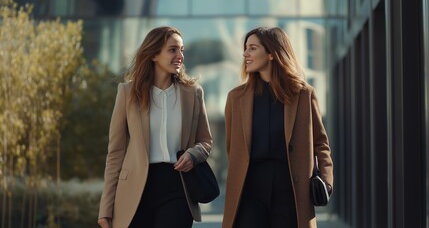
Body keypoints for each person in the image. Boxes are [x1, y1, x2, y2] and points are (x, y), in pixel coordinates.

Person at [97, 26, 213, 228]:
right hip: (134, 189)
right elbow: (115, 153)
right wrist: (105, 209)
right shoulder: (127, 92)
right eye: (172, 50)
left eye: (182, 50)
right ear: (153, 55)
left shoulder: (193, 93)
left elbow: (205, 141)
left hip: (178, 187)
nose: (180, 56)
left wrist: (193, 155)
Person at [222, 27, 334, 228]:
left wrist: (326, 181)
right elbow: (232, 146)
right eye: (246, 48)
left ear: (272, 53)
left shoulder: (303, 95)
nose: (245, 54)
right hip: (249, 188)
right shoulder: (236, 98)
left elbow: (320, 143)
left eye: (252, 48)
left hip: (290, 188)